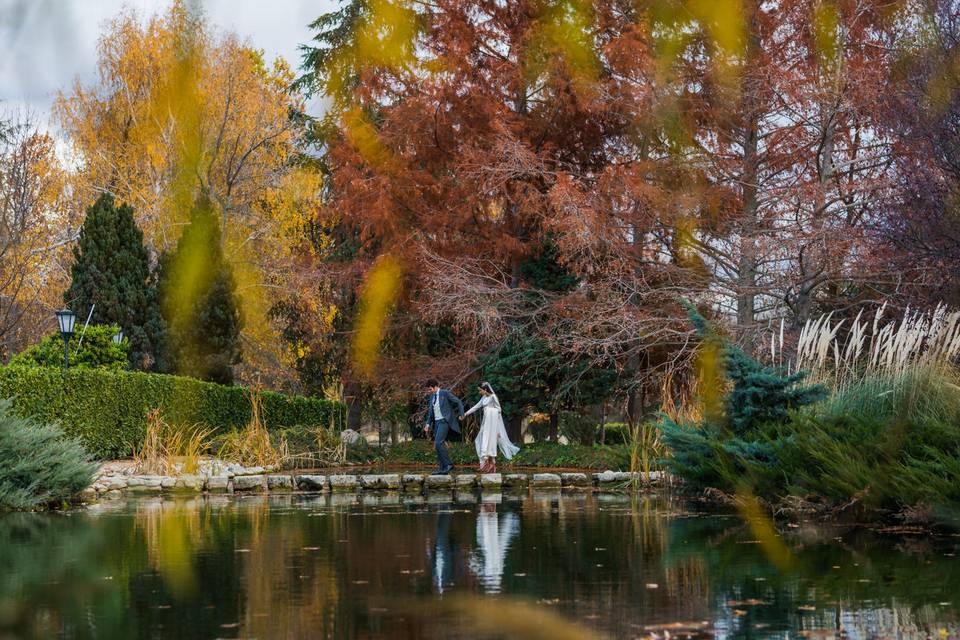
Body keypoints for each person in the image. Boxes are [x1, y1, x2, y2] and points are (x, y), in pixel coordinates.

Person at [463, 382, 519, 473]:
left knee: (489, 442)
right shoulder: (484, 398)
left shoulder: (493, 397)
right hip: (486, 423)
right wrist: (465, 414)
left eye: (480, 390)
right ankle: (485, 464)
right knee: (480, 440)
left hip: (492, 424)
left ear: (485, 390)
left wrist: (488, 411)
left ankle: (490, 465)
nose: (479, 392)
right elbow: (476, 407)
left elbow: (499, 410)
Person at [423, 379, 465, 475]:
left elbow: (458, 401)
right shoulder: (432, 397)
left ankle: (448, 465)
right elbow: (431, 413)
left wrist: (462, 414)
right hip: (437, 423)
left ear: (435, 387)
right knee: (437, 445)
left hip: (444, 421)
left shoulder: (444, 393)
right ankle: (442, 468)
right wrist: (428, 424)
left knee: (438, 443)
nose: (429, 391)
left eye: (430, 389)